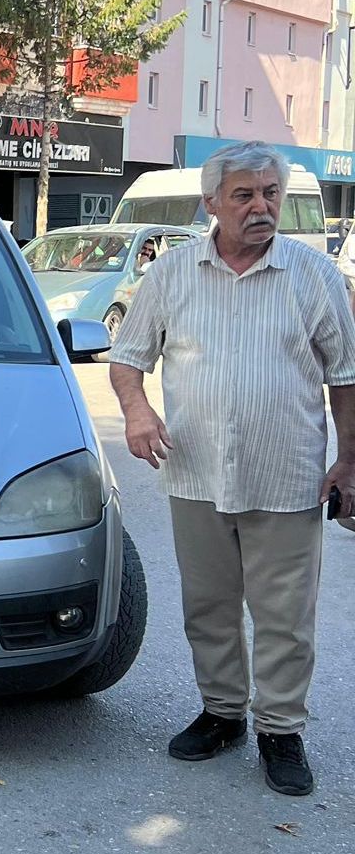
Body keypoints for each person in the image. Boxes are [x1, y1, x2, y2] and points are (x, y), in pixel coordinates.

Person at [109, 140, 355, 797]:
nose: (261, 207)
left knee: (284, 616)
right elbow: (127, 359)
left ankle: (281, 730)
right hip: (196, 473)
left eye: (270, 193)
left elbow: (347, 375)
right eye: (244, 195)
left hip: (289, 476)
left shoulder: (313, 275)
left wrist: (349, 460)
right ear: (211, 203)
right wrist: (136, 414)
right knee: (209, 607)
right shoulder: (172, 274)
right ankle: (223, 715)